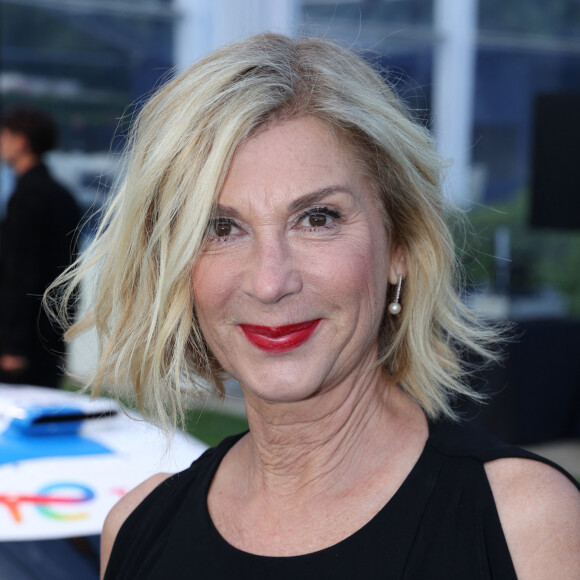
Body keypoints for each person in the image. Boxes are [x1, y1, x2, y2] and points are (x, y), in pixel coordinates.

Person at [47, 34, 580, 579]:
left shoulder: (526, 526)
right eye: (221, 228)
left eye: (318, 218)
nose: (270, 281)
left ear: (400, 247)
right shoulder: (138, 528)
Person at [0, 107, 81, 387]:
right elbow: (72, 273)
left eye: (5, 135)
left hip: (22, 346)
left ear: (21, 141)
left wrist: (13, 346)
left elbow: (19, 274)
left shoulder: (25, 199)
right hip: (51, 335)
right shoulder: (64, 196)